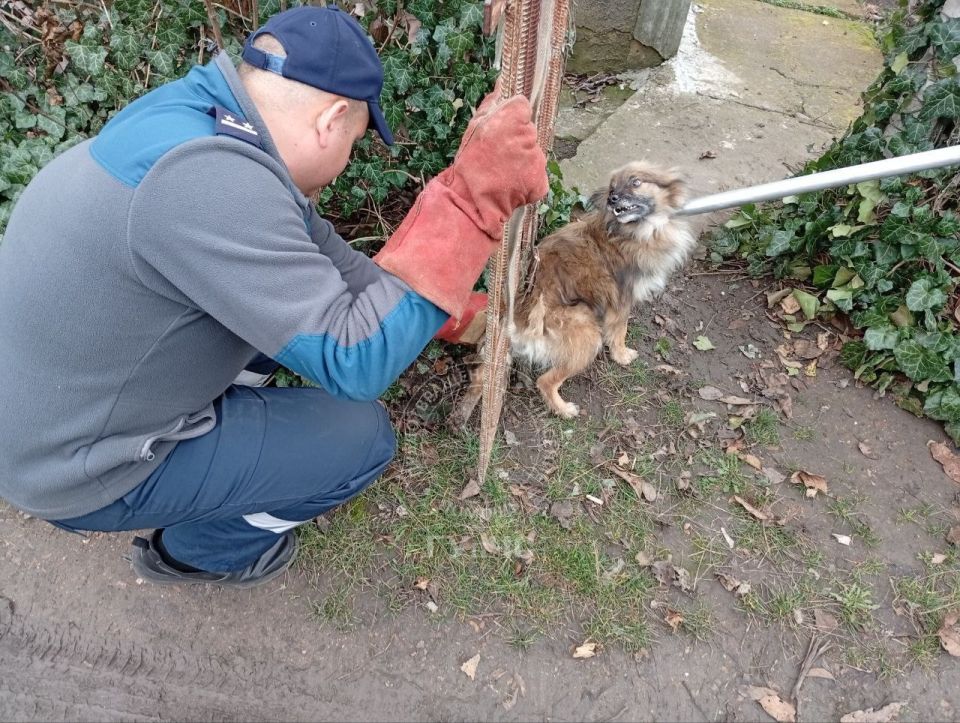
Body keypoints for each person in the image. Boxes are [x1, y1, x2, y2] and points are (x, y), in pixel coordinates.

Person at [0, 6, 546, 587]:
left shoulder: (200, 123)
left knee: (279, 321)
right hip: (69, 467)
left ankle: (211, 435)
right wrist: (470, 202)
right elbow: (354, 361)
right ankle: (196, 552)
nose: (343, 165)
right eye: (355, 142)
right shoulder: (208, 183)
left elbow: (328, 266)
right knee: (357, 441)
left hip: (51, 407)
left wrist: (443, 310)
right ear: (332, 119)